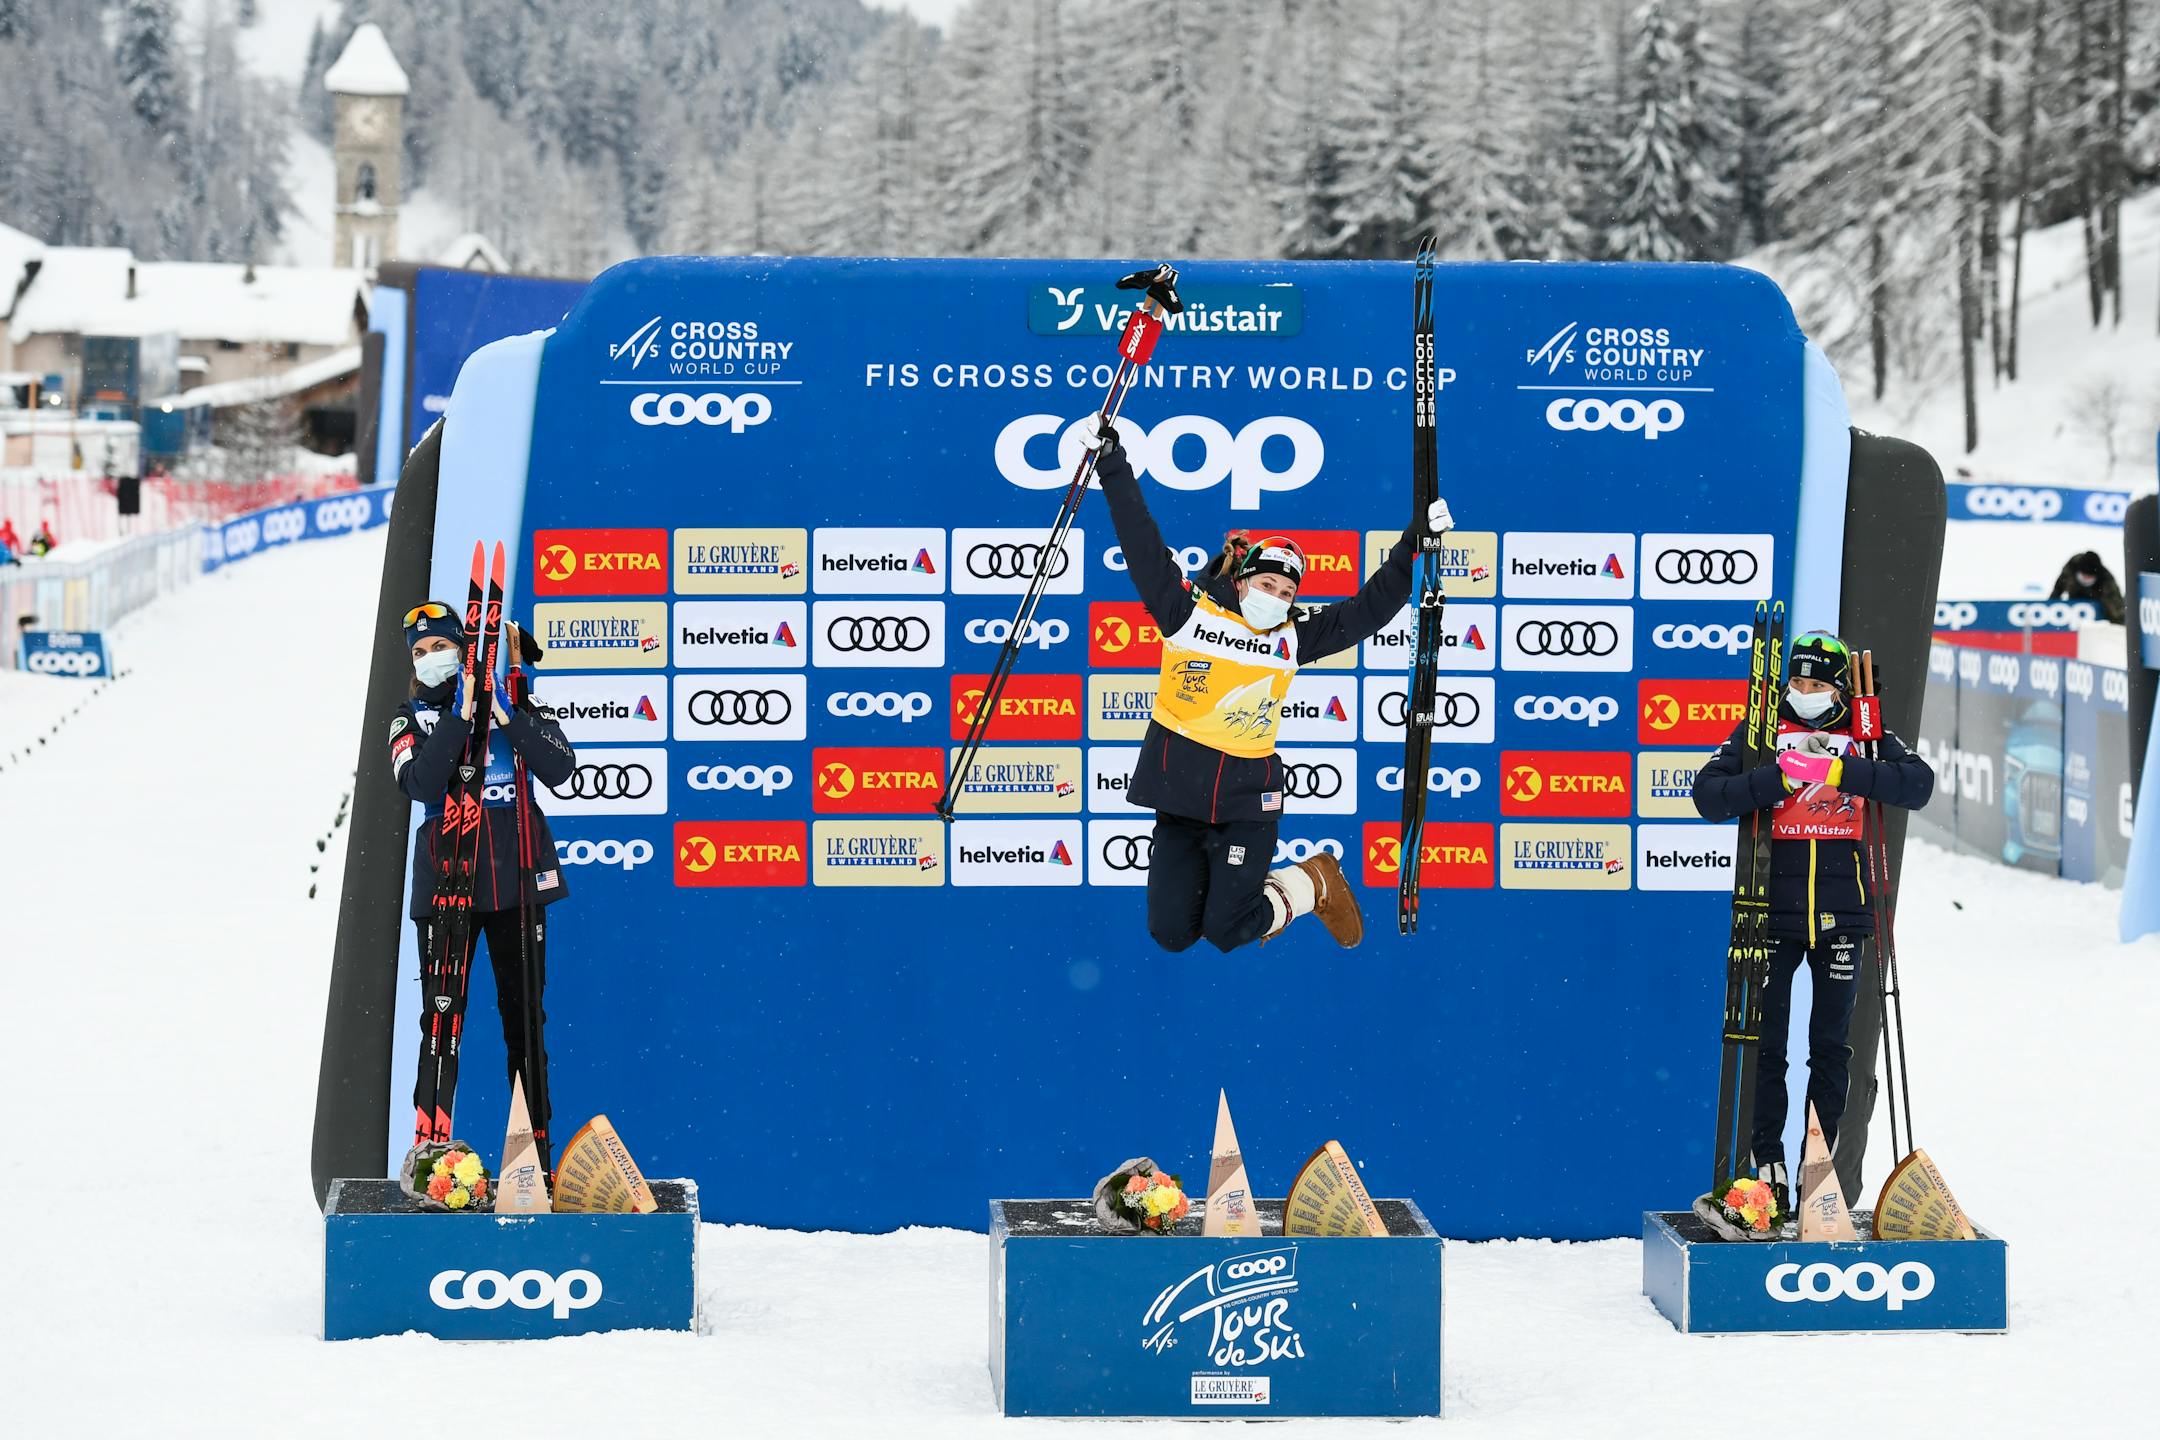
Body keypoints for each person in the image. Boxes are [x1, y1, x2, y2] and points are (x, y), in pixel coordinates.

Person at [1084, 416, 1452, 953]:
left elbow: (1369, 609)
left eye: (1285, 589)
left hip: (1245, 805)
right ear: (1242, 581)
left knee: (1228, 930)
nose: (1275, 595)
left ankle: (1310, 881)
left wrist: (1412, 544)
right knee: (1171, 933)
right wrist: (1112, 465)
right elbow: (1141, 543)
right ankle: (1259, 891)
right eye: (1266, 583)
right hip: (1180, 803)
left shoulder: (1296, 635)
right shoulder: (1187, 614)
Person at [1691, 632, 1934, 1215]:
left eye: (1818, 684)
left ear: (1840, 687)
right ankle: (1768, 1165)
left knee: (1829, 1046)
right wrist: (1777, 778)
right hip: (1773, 913)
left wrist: (1842, 771)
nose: (1805, 694)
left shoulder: (1865, 734)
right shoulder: (1762, 729)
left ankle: (1817, 1162)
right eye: (1796, 684)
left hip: (1843, 914)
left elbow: (1917, 784)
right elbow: (1708, 796)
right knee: (1767, 1043)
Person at [389, 601, 576, 1160]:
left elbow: (561, 769)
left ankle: (533, 1156)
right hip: (448, 886)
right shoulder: (410, 718)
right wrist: (458, 715)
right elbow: (421, 783)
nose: (431, 660)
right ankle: (431, 1155)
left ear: (464, 649)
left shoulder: (517, 702)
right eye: (420, 654)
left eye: (441, 647)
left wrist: (502, 714)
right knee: (442, 1022)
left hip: (516, 883)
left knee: (525, 1022)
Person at [2047, 550, 2124, 624]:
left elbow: (2117, 608)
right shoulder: (2071, 568)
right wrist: (2049, 607)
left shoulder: (2106, 580)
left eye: (2089, 577)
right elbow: (2057, 589)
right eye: (2084, 575)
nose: (2086, 579)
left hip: (2096, 605)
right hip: (2074, 604)